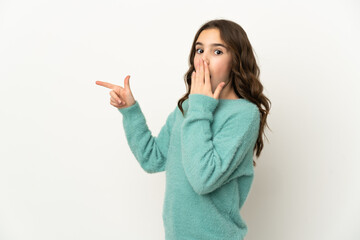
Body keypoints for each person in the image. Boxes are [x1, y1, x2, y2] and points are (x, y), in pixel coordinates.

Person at [96, 19, 271, 240]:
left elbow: (203, 180)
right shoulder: (188, 107)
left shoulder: (244, 114)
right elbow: (153, 159)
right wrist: (130, 111)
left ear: (236, 60)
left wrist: (200, 106)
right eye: (199, 50)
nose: (204, 59)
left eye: (217, 51)